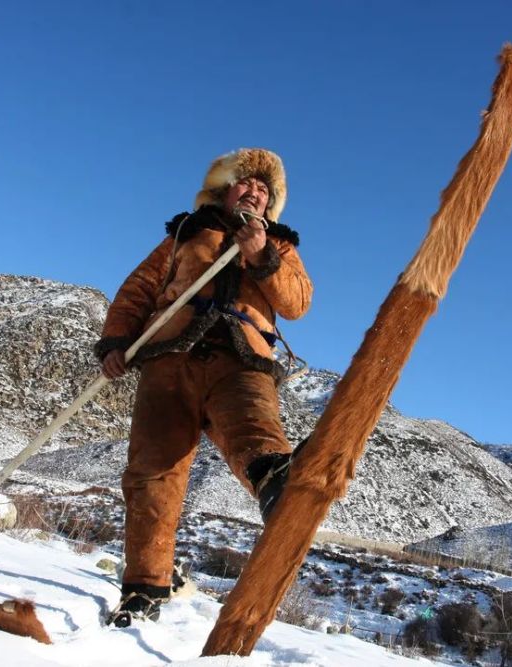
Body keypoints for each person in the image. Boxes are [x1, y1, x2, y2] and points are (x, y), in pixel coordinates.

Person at [94, 148, 312, 627]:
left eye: (264, 190)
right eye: (246, 184)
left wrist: (262, 256)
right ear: (224, 189)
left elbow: (297, 303)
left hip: (241, 355)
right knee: (153, 471)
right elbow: (137, 292)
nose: (255, 192)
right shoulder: (183, 236)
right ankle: (145, 587)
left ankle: (280, 485)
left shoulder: (281, 246)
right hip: (168, 358)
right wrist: (115, 342)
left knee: (252, 421)